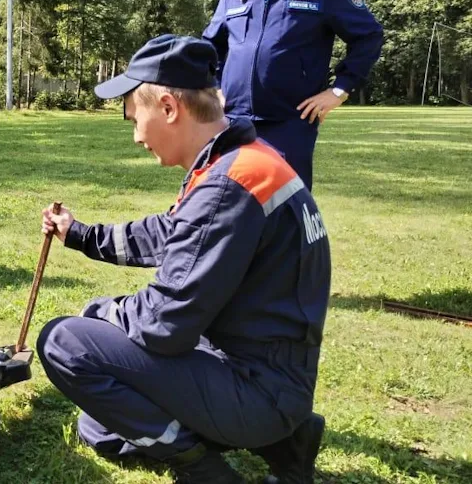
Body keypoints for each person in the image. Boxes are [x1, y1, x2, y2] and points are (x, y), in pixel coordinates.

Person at [36, 35, 332, 484]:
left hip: (254, 387)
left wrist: (102, 313)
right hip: (269, 375)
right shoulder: (245, 162)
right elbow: (172, 235)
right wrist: (79, 235)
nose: (135, 135)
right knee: (100, 429)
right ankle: (289, 443)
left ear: (170, 108)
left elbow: (163, 324)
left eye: (134, 117)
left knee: (64, 342)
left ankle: (205, 470)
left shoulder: (226, 188)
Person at [202, 0, 383, 189]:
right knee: (225, 200)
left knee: (284, 208)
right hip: (232, 120)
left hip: (289, 124)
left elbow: (369, 36)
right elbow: (210, 47)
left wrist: (339, 90)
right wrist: (215, 89)